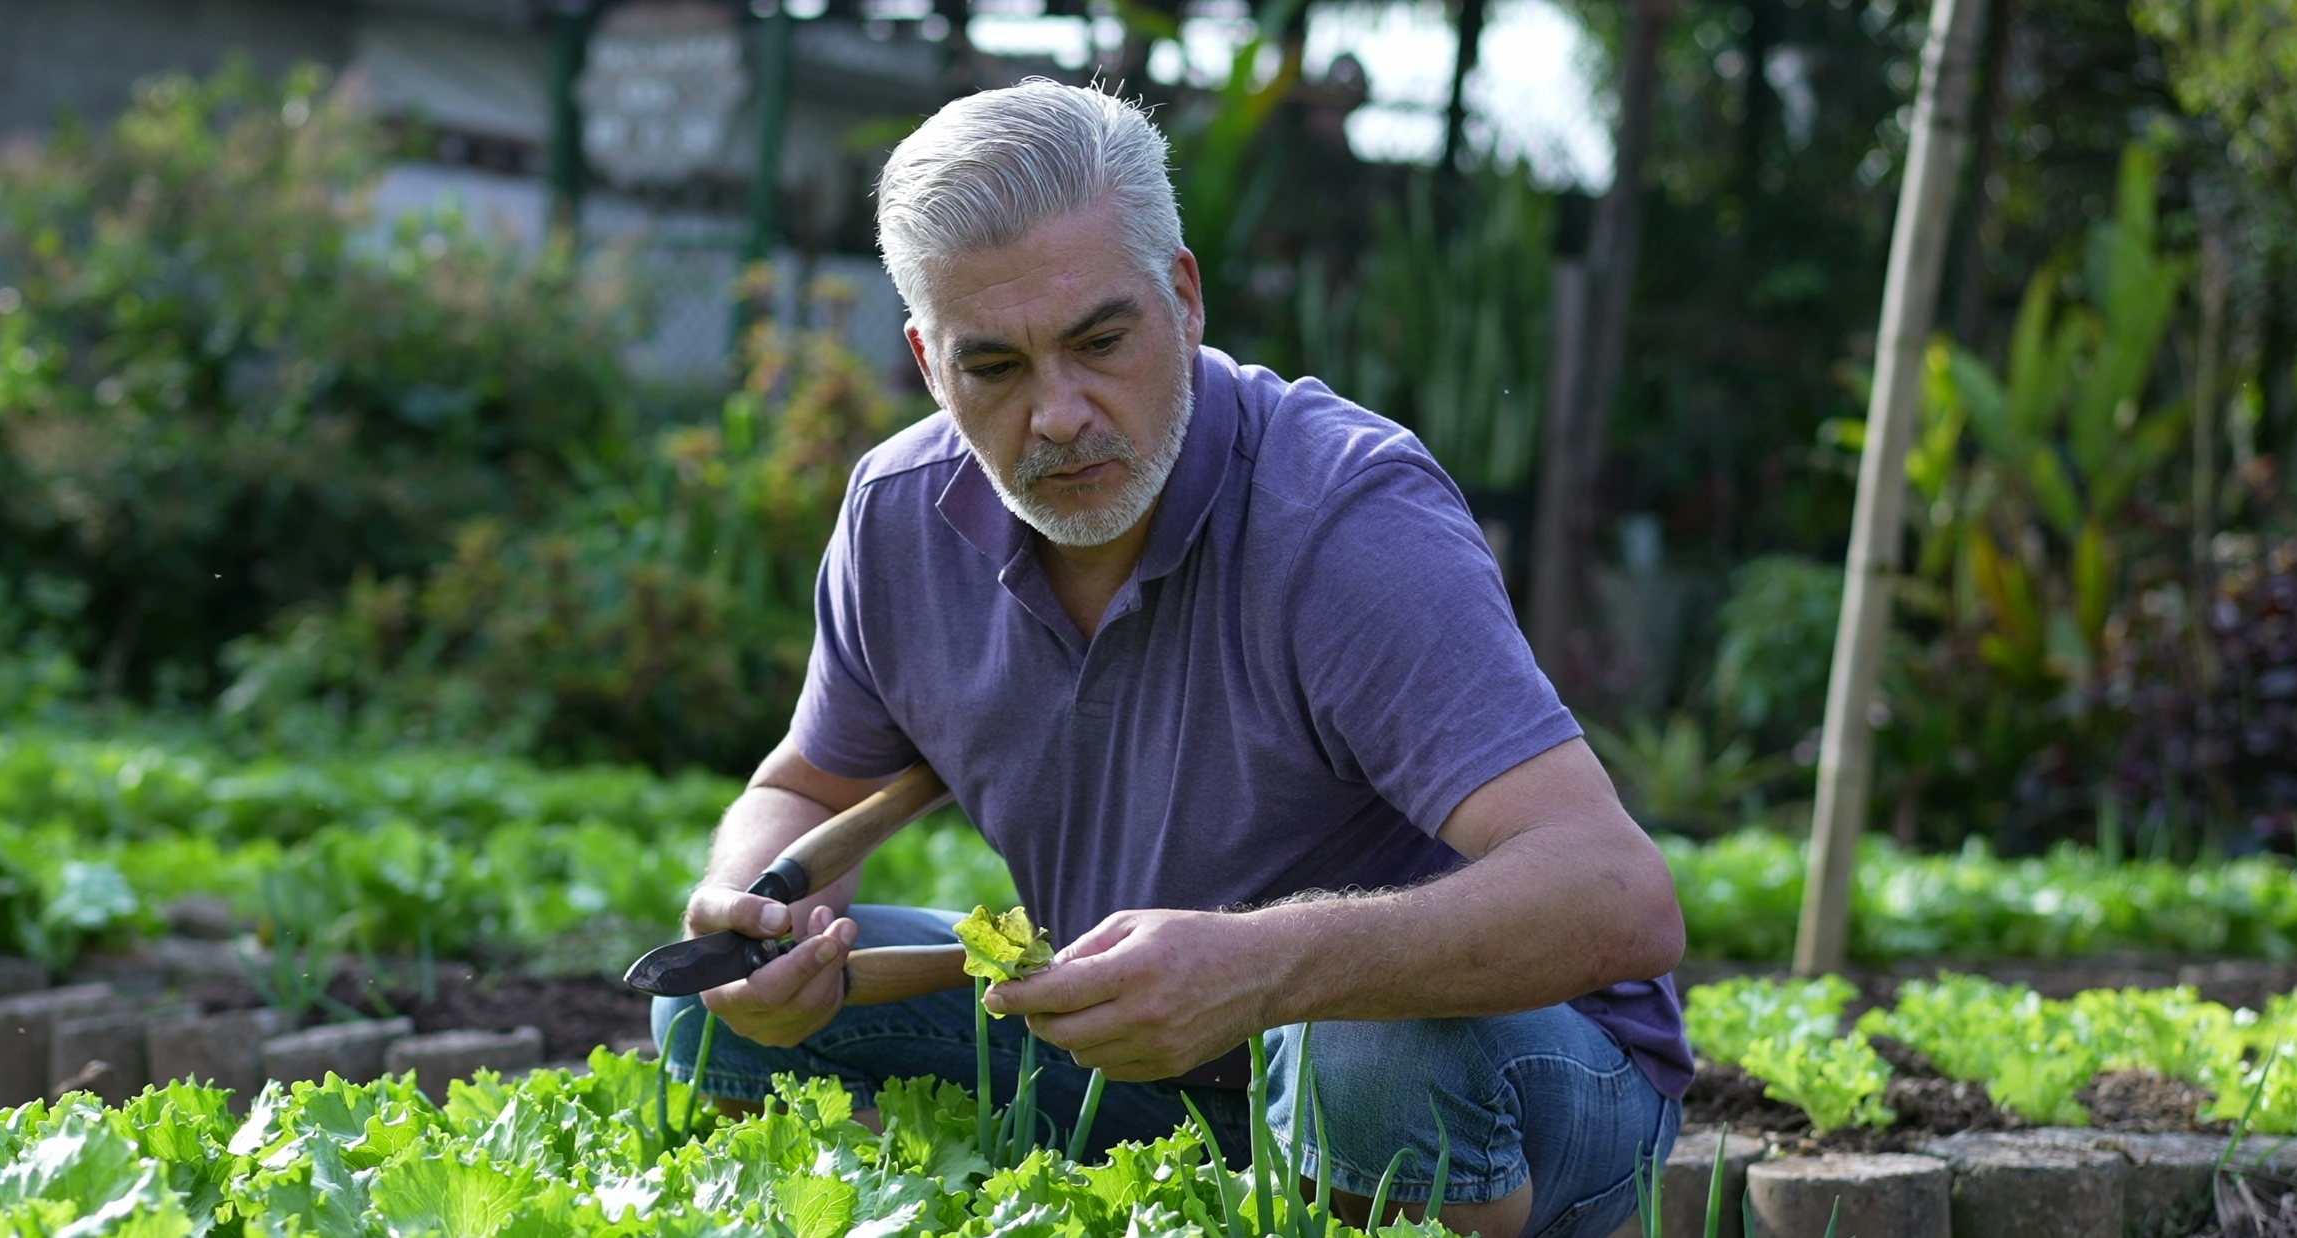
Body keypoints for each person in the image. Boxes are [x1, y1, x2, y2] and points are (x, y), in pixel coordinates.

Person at [651, 79, 1689, 1238]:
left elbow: (1614, 894)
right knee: (703, 1007)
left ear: (1183, 297)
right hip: (1141, 1058)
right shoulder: (897, 517)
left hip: (1515, 1070)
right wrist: (753, 921)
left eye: (1099, 342)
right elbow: (806, 791)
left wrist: (1265, 966)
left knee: (1356, 1048)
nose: (1058, 414)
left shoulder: (1342, 520)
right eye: (993, 367)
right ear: (928, 363)